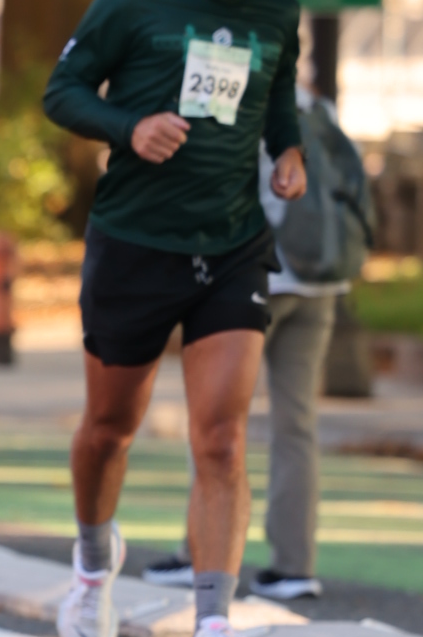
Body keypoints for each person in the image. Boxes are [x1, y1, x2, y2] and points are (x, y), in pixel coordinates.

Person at [43, 0, 305, 637]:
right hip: (135, 244)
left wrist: (288, 150)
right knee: (109, 428)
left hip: (231, 244)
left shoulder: (277, 12)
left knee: (221, 438)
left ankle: (211, 634)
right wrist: (129, 127)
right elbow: (63, 92)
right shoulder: (132, 0)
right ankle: (92, 564)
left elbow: (279, 96)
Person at [143, 82, 375, 603]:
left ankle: (197, 553)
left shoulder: (239, 93)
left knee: (215, 416)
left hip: (254, 274)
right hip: (321, 282)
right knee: (298, 424)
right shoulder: (319, 107)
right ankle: (294, 567)